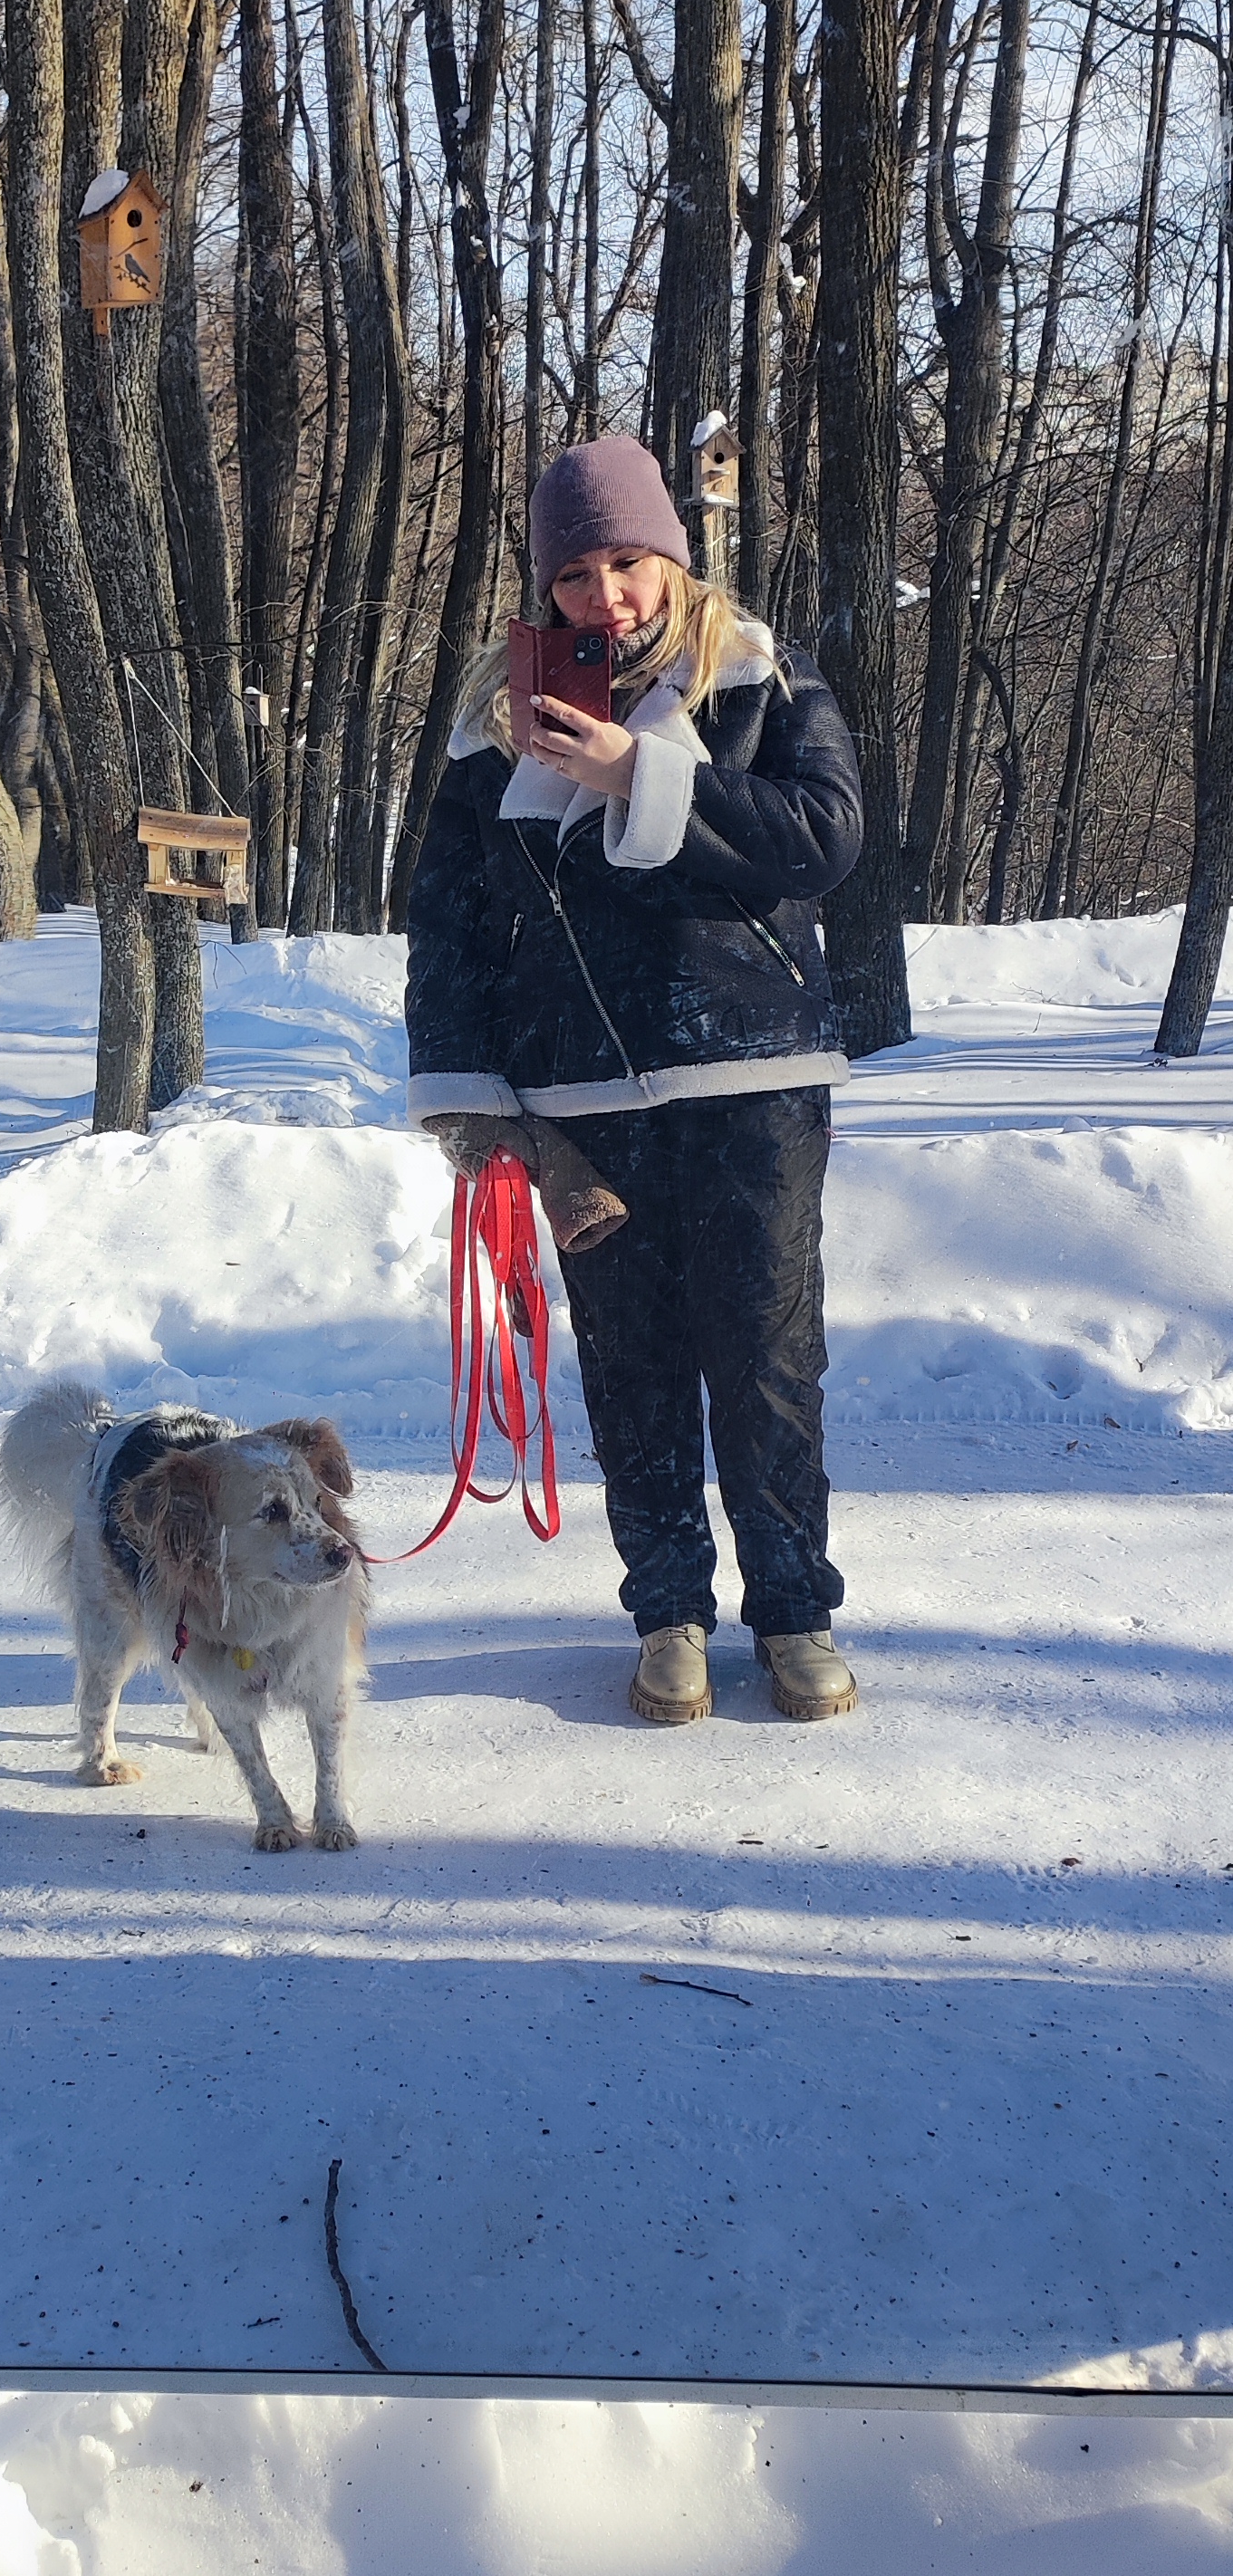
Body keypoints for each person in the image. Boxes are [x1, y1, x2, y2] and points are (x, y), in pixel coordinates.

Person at [404, 433, 865, 1724]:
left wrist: (635, 773)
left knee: (768, 1357)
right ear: (541, 585)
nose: (604, 596)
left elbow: (823, 841)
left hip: (753, 1076)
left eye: (627, 561)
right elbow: (446, 921)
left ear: (671, 557)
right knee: (630, 1367)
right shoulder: (494, 729)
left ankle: (795, 1613)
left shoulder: (760, 681)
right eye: (575, 573)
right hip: (579, 1106)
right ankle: (667, 1609)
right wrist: (469, 1093)